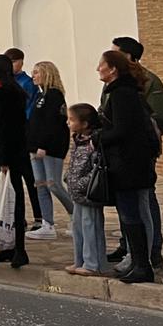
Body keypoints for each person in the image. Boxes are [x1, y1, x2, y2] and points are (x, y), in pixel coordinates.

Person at [107, 36, 163, 271]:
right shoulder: (113, 82)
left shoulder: (149, 81)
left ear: (129, 56)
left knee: (144, 200)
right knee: (126, 203)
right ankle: (129, 246)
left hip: (137, 151)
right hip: (117, 152)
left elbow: (161, 118)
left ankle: (152, 250)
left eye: (115, 52)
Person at [97, 50, 159, 283]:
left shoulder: (122, 94)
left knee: (132, 214)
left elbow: (123, 130)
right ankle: (137, 262)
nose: (98, 69)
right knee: (128, 215)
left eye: (101, 65)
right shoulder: (123, 92)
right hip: (127, 162)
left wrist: (98, 137)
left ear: (113, 69)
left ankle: (143, 265)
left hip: (129, 164)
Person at [0, 55, 31, 268]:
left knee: (13, 201)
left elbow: (6, 129)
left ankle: (19, 249)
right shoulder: (8, 92)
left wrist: (3, 158)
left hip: (9, 157)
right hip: (6, 154)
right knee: (6, 201)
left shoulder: (7, 94)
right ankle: (9, 247)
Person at [25, 61, 71, 241]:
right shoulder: (39, 96)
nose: (33, 76)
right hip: (35, 148)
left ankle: (76, 216)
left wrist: (43, 145)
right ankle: (47, 223)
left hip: (50, 149)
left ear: (46, 73)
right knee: (40, 184)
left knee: (54, 184)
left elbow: (52, 124)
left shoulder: (54, 95)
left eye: (36, 72)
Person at [63, 103, 108, 275]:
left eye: (72, 119)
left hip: (89, 193)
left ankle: (93, 263)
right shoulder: (77, 140)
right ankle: (79, 260)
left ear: (85, 124)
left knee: (91, 227)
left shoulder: (94, 142)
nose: (68, 122)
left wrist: (82, 184)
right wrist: (69, 177)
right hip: (77, 193)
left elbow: (96, 168)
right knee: (78, 227)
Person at [7, 48, 40, 115]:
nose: (10, 65)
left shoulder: (28, 83)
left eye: (13, 62)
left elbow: (28, 108)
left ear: (21, 62)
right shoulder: (6, 82)